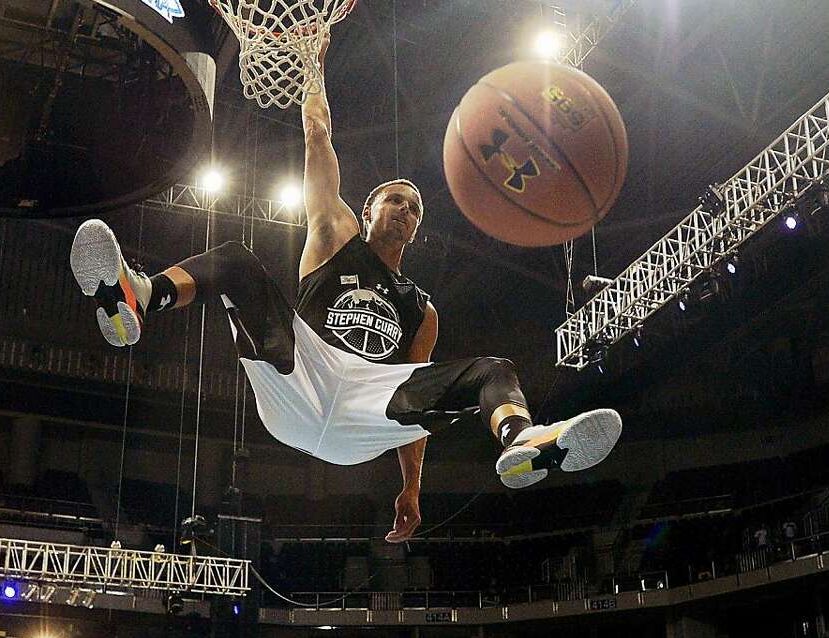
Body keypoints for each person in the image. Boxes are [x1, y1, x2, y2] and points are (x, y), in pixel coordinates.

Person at [68, 69, 622, 543]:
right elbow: (317, 134)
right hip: (302, 369)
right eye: (395, 201)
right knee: (237, 261)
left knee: (493, 370)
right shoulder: (334, 232)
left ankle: (521, 439)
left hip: (366, 407)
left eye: (415, 210)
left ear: (416, 231)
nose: (406, 211)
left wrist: (409, 489)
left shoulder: (422, 311)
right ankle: (138, 298)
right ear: (368, 208)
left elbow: (415, 399)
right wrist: (314, 66)